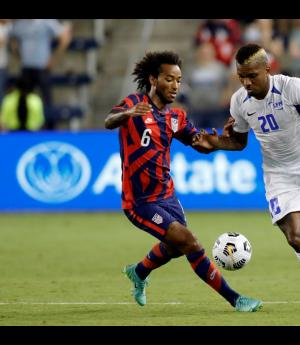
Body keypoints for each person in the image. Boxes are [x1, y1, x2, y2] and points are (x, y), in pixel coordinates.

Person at [192, 43, 300, 312]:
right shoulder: (239, 100)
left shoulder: (291, 87)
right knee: (296, 237)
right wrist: (215, 143)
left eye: (252, 76)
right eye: (242, 77)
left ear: (267, 69)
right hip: (279, 175)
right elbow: (238, 142)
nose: (247, 82)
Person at [104, 51, 262, 312]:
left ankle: (139, 272)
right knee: (190, 242)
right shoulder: (134, 103)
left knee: (176, 247)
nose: (175, 86)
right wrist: (129, 113)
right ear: (153, 79)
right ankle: (236, 299)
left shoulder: (175, 117)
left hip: (167, 195)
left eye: (179, 80)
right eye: (169, 79)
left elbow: (201, 144)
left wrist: (225, 139)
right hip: (140, 202)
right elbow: (109, 121)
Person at [10, 19, 72, 130]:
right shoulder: (20, 24)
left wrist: (54, 58)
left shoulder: (47, 22)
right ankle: (23, 128)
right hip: (26, 68)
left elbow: (65, 38)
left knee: (46, 100)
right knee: (23, 99)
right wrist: (17, 53)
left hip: (42, 68)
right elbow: (11, 37)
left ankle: (49, 129)